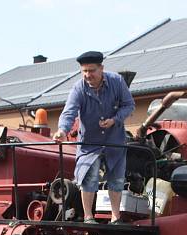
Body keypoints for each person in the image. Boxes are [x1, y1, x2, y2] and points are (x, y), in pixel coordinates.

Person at [53, 51, 135, 225]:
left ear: (101, 68)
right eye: (84, 71)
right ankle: (88, 217)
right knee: (89, 176)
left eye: (91, 70)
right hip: (89, 143)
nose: (88, 75)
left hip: (114, 140)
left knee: (117, 178)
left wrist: (115, 120)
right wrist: (62, 130)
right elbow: (69, 112)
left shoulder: (117, 82)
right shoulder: (78, 88)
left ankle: (115, 217)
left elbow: (129, 105)